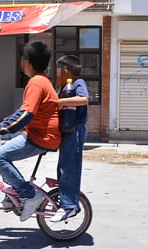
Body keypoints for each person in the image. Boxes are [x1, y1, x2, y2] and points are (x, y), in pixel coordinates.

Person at [0, 40, 61, 222]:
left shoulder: (36, 83)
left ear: (28, 62)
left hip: (41, 136)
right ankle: (11, 196)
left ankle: (30, 195)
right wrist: (4, 123)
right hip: (38, 133)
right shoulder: (41, 81)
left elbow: (26, 115)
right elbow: (23, 112)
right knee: (4, 156)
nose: (21, 62)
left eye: (22, 58)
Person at [49, 55, 89, 222]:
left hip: (76, 130)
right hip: (66, 132)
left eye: (57, 70)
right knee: (63, 168)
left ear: (65, 70)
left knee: (70, 168)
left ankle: (70, 206)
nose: (55, 74)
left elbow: (84, 99)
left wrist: (61, 101)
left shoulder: (78, 84)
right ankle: (64, 200)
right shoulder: (63, 87)